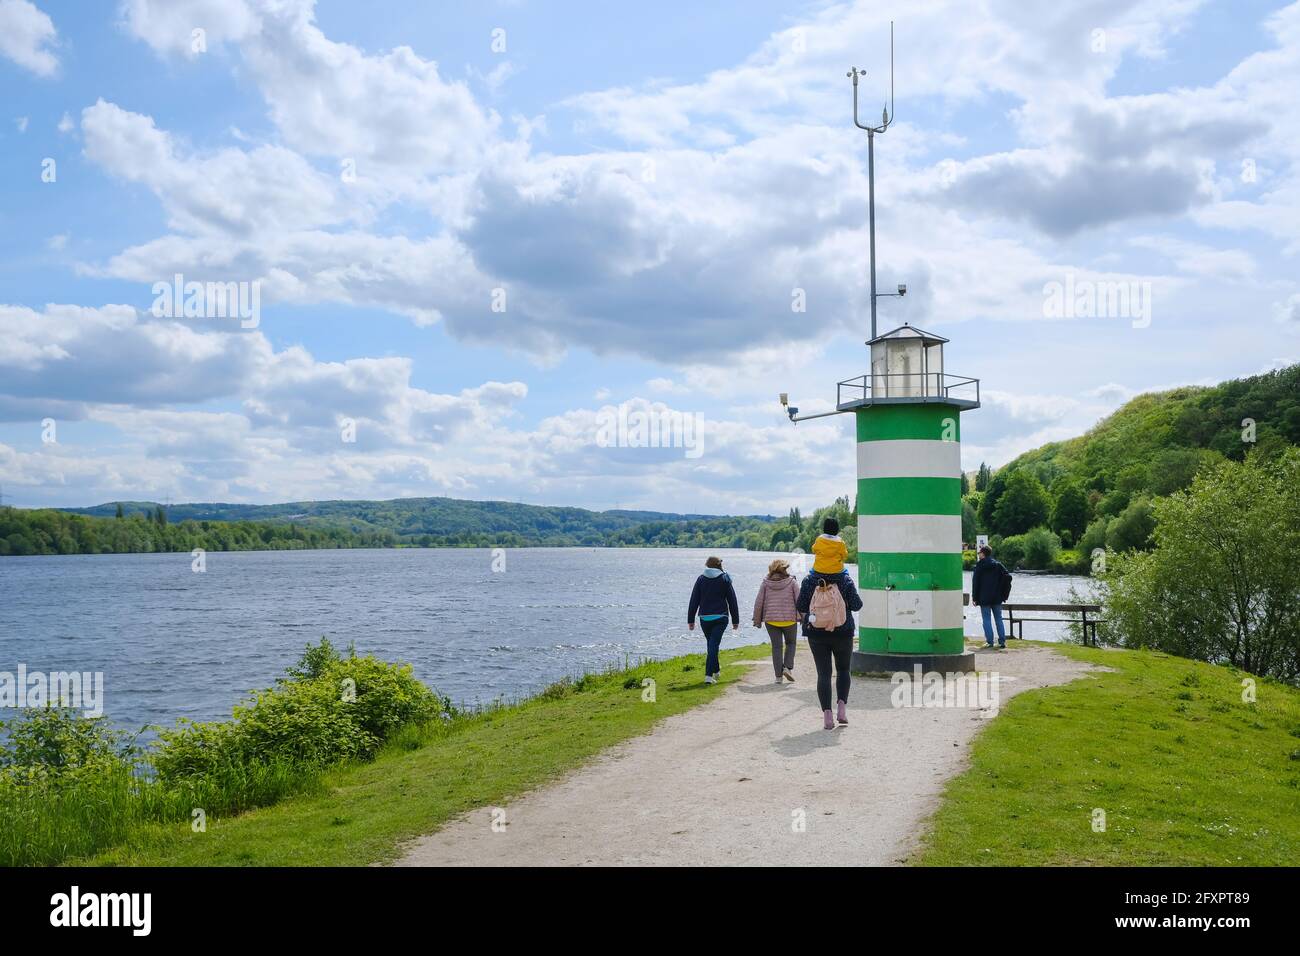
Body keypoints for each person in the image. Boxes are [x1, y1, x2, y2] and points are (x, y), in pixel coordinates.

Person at [796, 567, 863, 729]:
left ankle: (827, 716)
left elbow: (801, 605)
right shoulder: (845, 580)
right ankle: (841, 709)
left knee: (823, 674)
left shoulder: (808, 580)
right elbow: (856, 605)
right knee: (843, 670)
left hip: (816, 633)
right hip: (843, 631)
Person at [687, 555, 739, 684]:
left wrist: (691, 619)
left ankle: (715, 671)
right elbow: (732, 600)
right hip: (721, 617)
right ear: (719, 565)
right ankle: (709, 676)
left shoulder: (700, 579)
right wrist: (735, 620)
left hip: (704, 618)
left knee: (711, 645)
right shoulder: (724, 578)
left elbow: (694, 600)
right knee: (713, 645)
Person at [752, 558, 799, 684]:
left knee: (776, 647)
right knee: (791, 644)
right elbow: (798, 601)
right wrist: (803, 617)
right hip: (789, 620)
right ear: (784, 569)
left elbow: (759, 602)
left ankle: (778, 677)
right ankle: (788, 668)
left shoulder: (766, 583)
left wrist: (757, 620)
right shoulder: (792, 582)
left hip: (771, 620)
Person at [971, 544, 1010, 649]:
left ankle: (990, 642)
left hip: (984, 598)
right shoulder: (998, 565)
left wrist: (974, 597)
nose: (978, 554)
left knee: (986, 620)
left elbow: (976, 583)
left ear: (983, 554)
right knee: (999, 619)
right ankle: (1002, 642)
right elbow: (1008, 577)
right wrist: (1004, 592)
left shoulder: (979, 566)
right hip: (997, 597)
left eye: (979, 553)